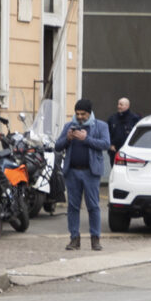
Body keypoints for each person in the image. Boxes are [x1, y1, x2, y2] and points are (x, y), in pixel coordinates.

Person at [58, 98, 112, 252]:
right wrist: (68, 139)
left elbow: (106, 144)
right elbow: (57, 146)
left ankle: (95, 240)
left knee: (93, 206)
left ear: (89, 113)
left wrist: (86, 139)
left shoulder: (100, 126)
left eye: (83, 114)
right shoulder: (69, 126)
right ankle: (74, 239)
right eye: (77, 114)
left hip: (91, 172)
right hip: (72, 172)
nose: (80, 117)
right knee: (73, 207)